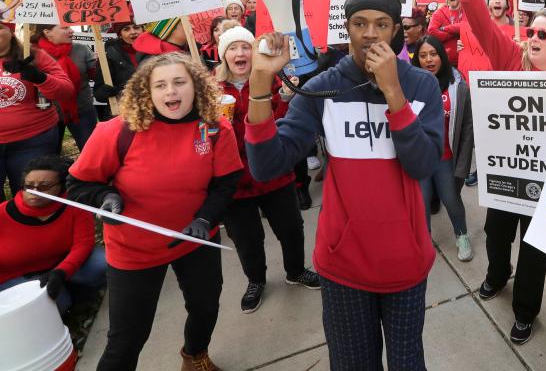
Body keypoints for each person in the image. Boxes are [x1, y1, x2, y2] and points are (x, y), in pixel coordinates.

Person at [245, 0, 443, 371]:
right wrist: (258, 85)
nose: (370, 33)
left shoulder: (422, 85)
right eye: (359, 23)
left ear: (396, 31)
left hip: (405, 262)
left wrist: (393, 93)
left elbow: (422, 165)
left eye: (382, 23)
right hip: (344, 265)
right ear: (347, 28)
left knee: (408, 363)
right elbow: (268, 166)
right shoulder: (323, 88)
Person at [67, 53, 243, 371]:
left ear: (197, 86)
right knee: (127, 339)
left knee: (205, 308)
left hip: (195, 240)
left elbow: (226, 183)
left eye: (179, 82)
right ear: (146, 91)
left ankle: (195, 356)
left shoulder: (215, 128)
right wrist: (105, 198)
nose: (170, 92)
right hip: (133, 251)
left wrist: (206, 218)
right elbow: (78, 184)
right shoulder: (115, 132)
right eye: (159, 85)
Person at [451, 0, 546, 345]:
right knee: (495, 234)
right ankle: (496, 275)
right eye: (532, 32)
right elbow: (486, 29)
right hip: (507, 175)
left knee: (534, 252)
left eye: (543, 35)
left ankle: (524, 312)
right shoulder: (510, 60)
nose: (533, 39)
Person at [215, 24, 321, 313]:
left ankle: (296, 270)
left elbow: (283, 128)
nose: (240, 53)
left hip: (274, 175)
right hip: (234, 181)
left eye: (245, 47)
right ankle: (256, 281)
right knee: (247, 238)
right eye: (233, 48)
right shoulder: (210, 91)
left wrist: (286, 98)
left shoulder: (272, 81)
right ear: (224, 56)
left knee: (290, 228)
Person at [0, 156, 106, 315]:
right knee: (57, 306)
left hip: (60, 265)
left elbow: (83, 244)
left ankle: (80, 292)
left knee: (102, 263)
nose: (34, 192)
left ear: (62, 186)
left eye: (45, 186)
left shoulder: (74, 205)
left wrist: (62, 271)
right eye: (28, 186)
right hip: (16, 276)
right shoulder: (2, 214)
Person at [412, 35, 474, 262]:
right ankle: (423, 239)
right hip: (419, 159)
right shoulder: (408, 86)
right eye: (423, 55)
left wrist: (463, 163)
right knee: (422, 201)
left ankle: (462, 235)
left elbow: (467, 126)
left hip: (445, 158)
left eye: (433, 54)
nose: (429, 60)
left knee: (450, 199)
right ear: (416, 59)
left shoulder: (458, 85)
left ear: (442, 56)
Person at [0, 23, 73, 196]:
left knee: (34, 194)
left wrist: (40, 78)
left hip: (33, 140)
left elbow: (66, 91)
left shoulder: (34, 56)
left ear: (10, 32)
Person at [34, 24, 98, 151]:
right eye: (65, 28)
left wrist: (100, 65)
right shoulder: (32, 53)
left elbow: (95, 76)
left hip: (82, 110)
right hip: (47, 114)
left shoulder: (81, 49)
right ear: (47, 32)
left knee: (90, 151)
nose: (72, 31)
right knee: (50, 157)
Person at [457, 0, 515, 82]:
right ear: (488, 4)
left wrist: (522, 47)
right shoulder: (478, 25)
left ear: (508, 4)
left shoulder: (517, 29)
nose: (497, 1)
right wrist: (463, 47)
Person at [93, 20, 143, 107]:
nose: (133, 32)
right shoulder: (109, 55)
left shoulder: (155, 50)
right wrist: (112, 91)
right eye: (126, 29)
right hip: (126, 109)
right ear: (120, 34)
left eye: (136, 27)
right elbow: (99, 93)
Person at [427, 0, 465, 66]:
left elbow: (465, 26)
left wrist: (444, 28)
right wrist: (454, 33)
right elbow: (432, 32)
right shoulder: (439, 13)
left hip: (464, 60)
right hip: (444, 61)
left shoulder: (467, 12)